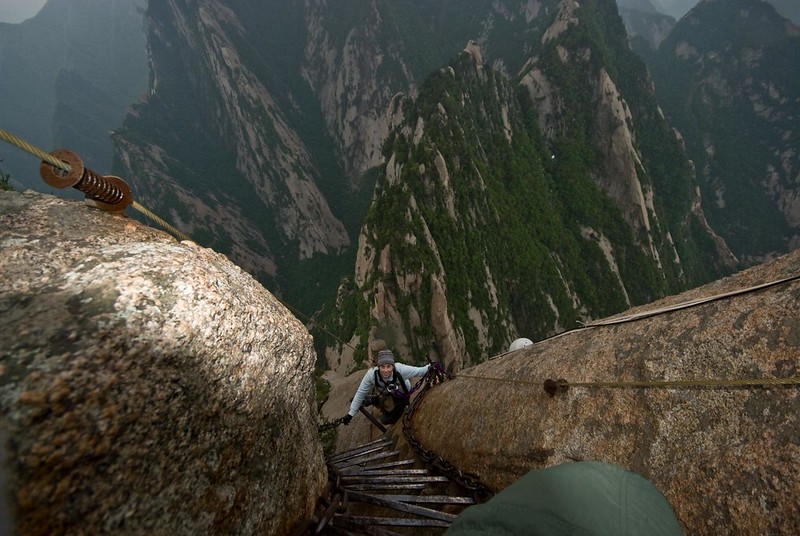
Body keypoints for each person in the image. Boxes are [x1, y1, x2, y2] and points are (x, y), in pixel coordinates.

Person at [342, 349, 432, 426]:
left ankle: (380, 402)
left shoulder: (400, 369)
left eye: (388, 366)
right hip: (386, 393)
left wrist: (432, 366)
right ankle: (376, 400)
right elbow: (360, 393)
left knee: (387, 419)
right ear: (378, 366)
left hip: (402, 394)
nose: (386, 370)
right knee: (385, 418)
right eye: (382, 367)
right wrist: (350, 414)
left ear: (393, 365)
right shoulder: (372, 374)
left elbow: (420, 371)